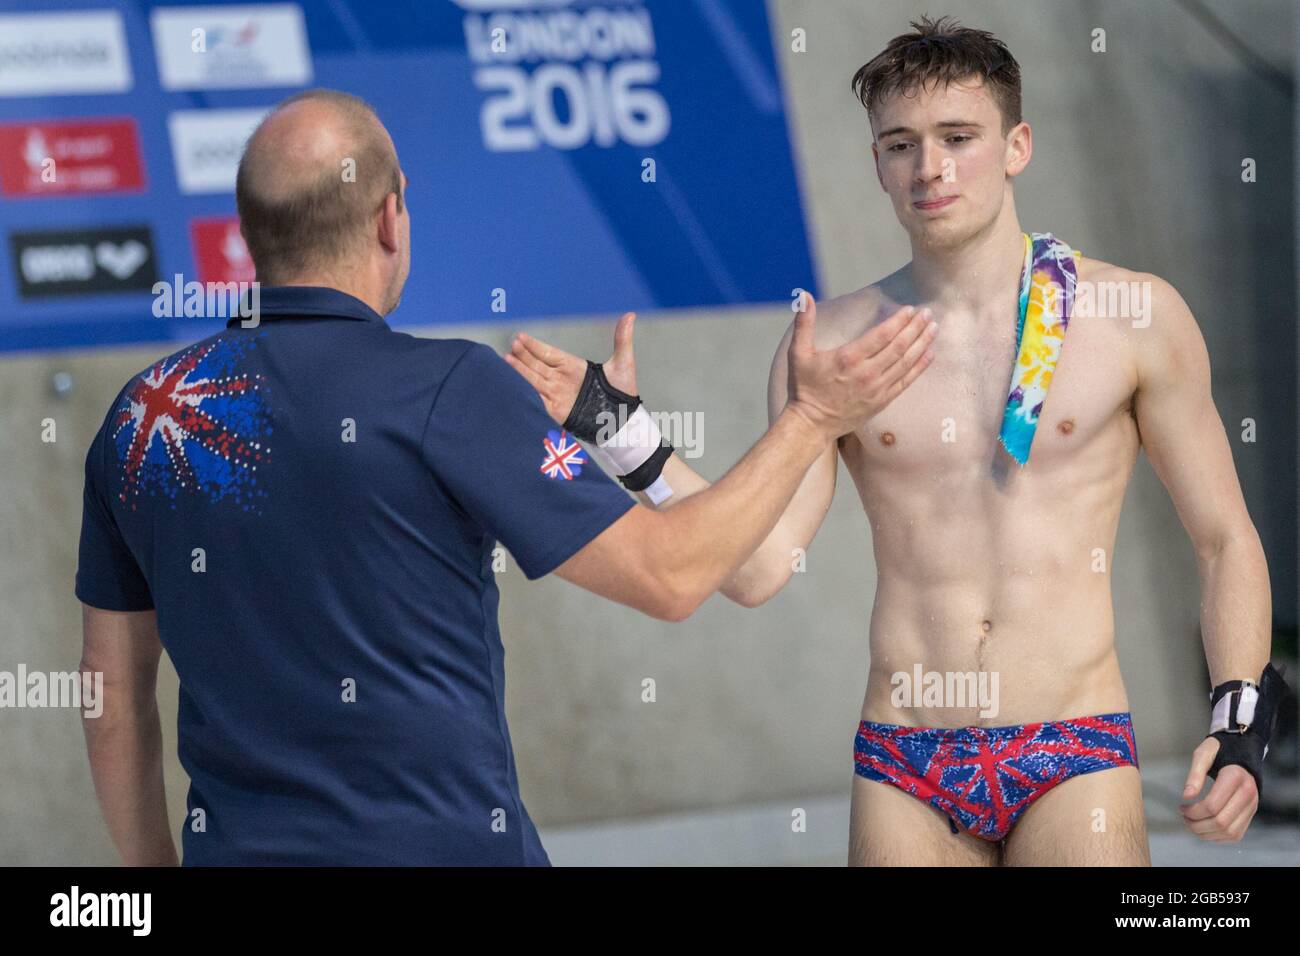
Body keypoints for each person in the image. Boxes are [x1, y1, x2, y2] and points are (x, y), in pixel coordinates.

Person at [74, 88, 935, 865]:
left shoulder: (143, 416)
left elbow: (110, 695)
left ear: (252, 235)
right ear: (389, 219)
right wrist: (813, 419)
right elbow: (672, 575)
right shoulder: (447, 388)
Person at [506, 16, 1287, 866]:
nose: (931, 167)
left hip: (1074, 743)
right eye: (901, 144)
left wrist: (1238, 718)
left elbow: (1223, 539)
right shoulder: (829, 343)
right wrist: (627, 438)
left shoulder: (1135, 317)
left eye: (959, 137)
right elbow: (759, 566)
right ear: (876, 163)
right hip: (904, 758)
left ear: (1017, 145)